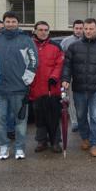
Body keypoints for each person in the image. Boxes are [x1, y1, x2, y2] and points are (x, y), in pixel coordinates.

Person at [61, 18, 96, 157]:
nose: (88, 31)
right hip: (79, 88)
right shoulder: (74, 46)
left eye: (91, 29)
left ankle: (95, 144)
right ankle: (85, 138)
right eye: (86, 28)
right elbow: (67, 66)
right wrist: (66, 79)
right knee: (80, 116)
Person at [0, 11, 38, 161]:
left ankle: (19, 147)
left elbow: (33, 60)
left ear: (18, 23)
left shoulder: (26, 40)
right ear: (3, 23)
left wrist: (27, 79)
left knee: (20, 122)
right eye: (8, 21)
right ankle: (4, 146)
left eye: (13, 21)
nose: (10, 24)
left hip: (19, 89)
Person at [29, 21, 64, 153]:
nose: (43, 32)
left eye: (46, 30)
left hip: (52, 88)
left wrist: (54, 77)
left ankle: (55, 142)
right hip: (36, 88)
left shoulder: (56, 46)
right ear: (35, 31)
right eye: (40, 30)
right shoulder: (30, 46)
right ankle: (41, 141)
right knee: (39, 117)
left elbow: (60, 63)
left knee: (54, 116)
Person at [60, 19, 84, 133]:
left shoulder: (88, 40)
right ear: (73, 28)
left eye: (81, 28)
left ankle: (85, 120)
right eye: (77, 28)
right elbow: (61, 60)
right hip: (71, 76)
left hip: (85, 76)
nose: (79, 31)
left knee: (85, 99)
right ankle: (74, 122)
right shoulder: (66, 41)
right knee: (72, 100)